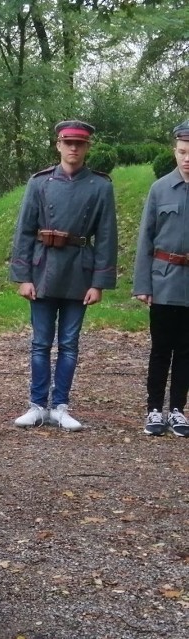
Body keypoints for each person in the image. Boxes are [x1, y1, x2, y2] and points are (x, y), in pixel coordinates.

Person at [10, 120, 118, 431]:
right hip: (43, 268)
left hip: (79, 271)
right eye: (68, 142)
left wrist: (99, 282)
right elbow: (25, 231)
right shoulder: (39, 183)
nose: (73, 148)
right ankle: (37, 405)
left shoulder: (100, 186)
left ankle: (60, 406)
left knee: (69, 343)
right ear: (58, 144)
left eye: (79, 144)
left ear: (87, 147)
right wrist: (23, 276)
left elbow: (107, 236)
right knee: (40, 342)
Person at [132, 119, 189, 437]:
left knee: (186, 351)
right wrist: (143, 284)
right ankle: (154, 408)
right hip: (164, 280)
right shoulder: (160, 189)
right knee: (161, 348)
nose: (187, 158)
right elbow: (146, 239)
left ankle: (178, 409)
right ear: (174, 151)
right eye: (182, 152)